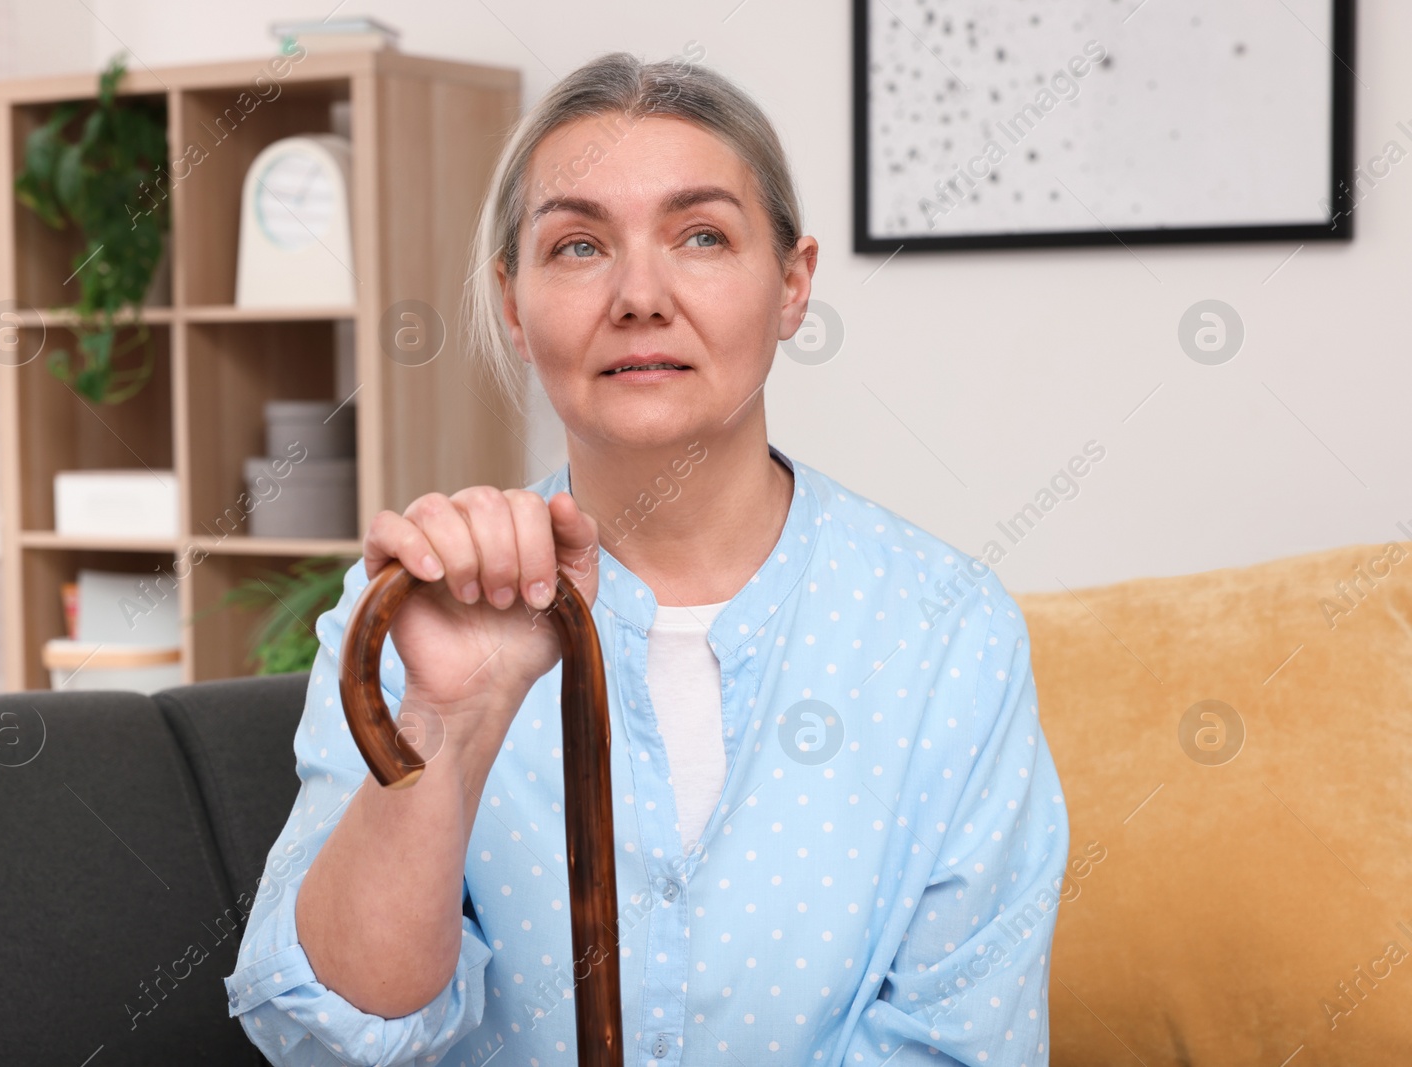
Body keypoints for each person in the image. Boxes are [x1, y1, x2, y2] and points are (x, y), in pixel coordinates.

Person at [225, 49, 1069, 1066]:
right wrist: (450, 724)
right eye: (577, 247)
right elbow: (322, 1034)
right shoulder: (411, 608)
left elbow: (961, 1041)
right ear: (512, 304)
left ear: (793, 284)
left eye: (701, 235)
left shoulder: (947, 629)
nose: (637, 294)